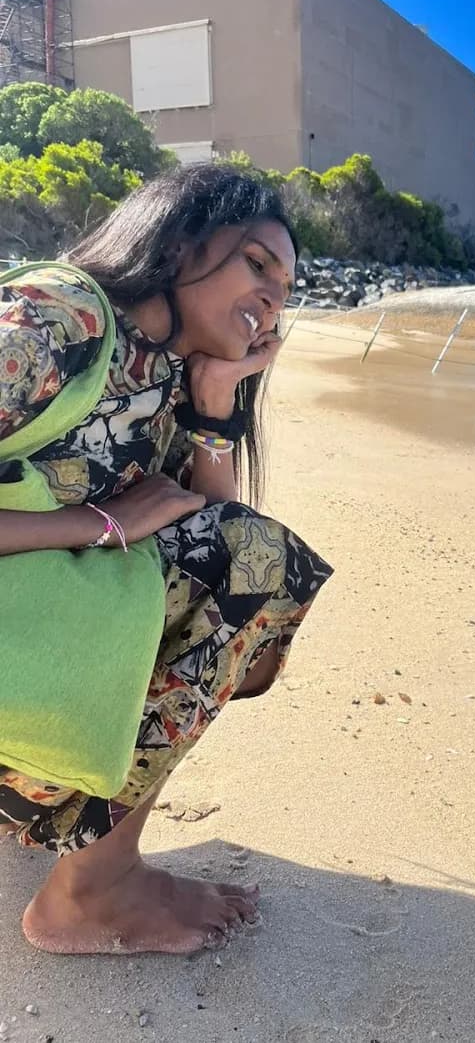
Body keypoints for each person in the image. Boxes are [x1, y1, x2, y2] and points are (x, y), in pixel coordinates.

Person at [0, 164, 333, 955]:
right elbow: (218, 561)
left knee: (249, 559)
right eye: (258, 265)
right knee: (257, 563)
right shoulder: (61, 320)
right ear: (181, 240)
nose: (271, 302)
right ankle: (95, 889)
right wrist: (98, 522)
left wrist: (216, 402)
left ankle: (51, 798)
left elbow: (211, 540)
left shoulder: (167, 382)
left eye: (285, 293)